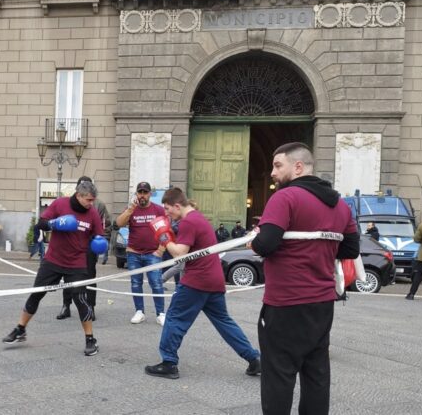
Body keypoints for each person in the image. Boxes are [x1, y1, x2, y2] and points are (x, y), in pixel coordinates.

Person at [250, 142, 360, 415]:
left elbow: (266, 244)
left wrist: (254, 240)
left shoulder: (285, 198)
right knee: (317, 374)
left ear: (298, 167)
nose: (273, 173)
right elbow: (350, 249)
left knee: (278, 375)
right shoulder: (341, 206)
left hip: (286, 302)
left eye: (278, 165)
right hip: (322, 304)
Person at [145, 187, 261, 380]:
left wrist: (163, 236)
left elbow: (180, 254)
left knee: (175, 317)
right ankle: (254, 358)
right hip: (213, 279)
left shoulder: (189, 221)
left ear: (177, 205)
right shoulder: (198, 217)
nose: (166, 213)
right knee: (224, 322)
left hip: (197, 280)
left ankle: (169, 362)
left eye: (167, 209)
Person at [3, 180, 106, 356]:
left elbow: (99, 235)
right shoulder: (60, 203)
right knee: (36, 294)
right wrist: (54, 224)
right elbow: (40, 223)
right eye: (88, 200)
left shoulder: (93, 213)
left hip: (77, 263)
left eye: (93, 200)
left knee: (81, 300)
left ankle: (90, 340)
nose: (91, 203)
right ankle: (20, 329)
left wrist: (99, 243)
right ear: (79, 195)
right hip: (53, 260)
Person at [57, 176, 110, 320]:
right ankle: (66, 305)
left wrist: (101, 240)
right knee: (67, 275)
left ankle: (90, 307)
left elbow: (107, 223)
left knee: (90, 276)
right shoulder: (69, 203)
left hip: (90, 245)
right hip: (70, 244)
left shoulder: (99, 205)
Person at [115, 181, 167, 325]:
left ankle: (160, 313)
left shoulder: (158, 210)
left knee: (156, 283)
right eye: (140, 192)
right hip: (134, 253)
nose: (142, 195)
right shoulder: (131, 209)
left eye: (145, 192)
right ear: (136, 194)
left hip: (153, 254)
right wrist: (130, 210)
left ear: (150, 194)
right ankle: (139, 311)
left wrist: (161, 249)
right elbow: (118, 223)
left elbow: (165, 230)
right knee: (136, 283)